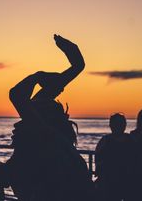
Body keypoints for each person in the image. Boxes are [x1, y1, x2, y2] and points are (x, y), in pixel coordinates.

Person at [6, 34, 94, 201]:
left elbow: (16, 94)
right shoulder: (56, 133)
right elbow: (78, 66)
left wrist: (37, 76)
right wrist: (69, 48)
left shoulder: (43, 132)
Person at [95, 113, 136, 201]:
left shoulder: (105, 141)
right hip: (127, 180)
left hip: (111, 180)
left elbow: (98, 159)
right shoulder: (131, 139)